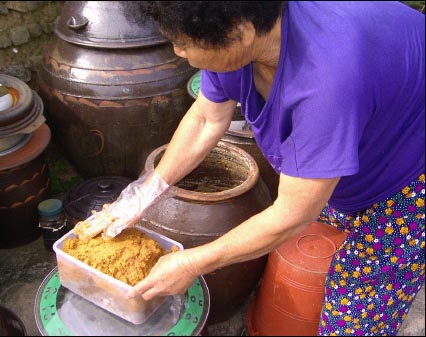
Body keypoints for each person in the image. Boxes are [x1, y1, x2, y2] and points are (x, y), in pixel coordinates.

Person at [76, 2, 425, 335]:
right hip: (373, 113)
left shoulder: (326, 80)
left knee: (358, 308)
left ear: (238, 31)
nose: (178, 52)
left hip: (413, 177)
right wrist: (143, 192)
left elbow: (293, 214)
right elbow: (205, 119)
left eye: (183, 43)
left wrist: (191, 263)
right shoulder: (242, 37)